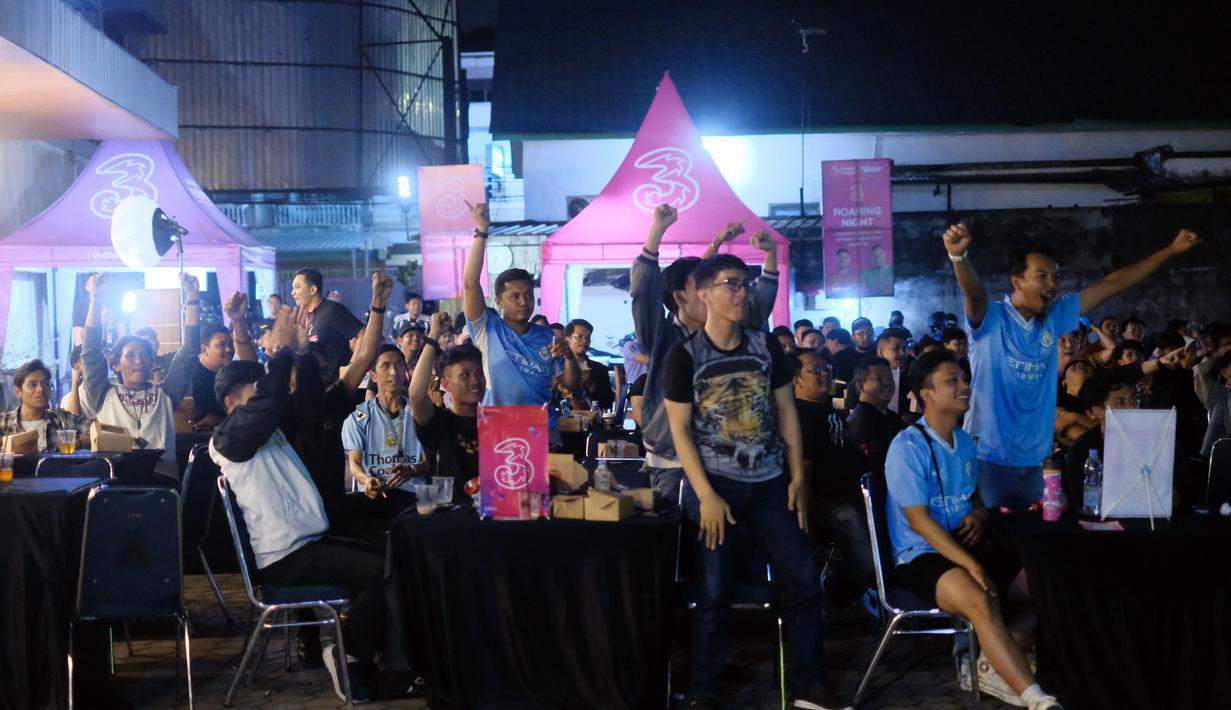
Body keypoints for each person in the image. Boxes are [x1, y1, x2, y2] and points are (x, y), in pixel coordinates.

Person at [663, 253, 844, 710]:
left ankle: (809, 683)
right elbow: (680, 432)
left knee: (802, 579)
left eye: (744, 284)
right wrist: (704, 495)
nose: (742, 292)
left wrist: (798, 475)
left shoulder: (766, 348)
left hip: (770, 483)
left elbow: (787, 412)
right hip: (716, 486)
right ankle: (705, 686)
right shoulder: (684, 357)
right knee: (713, 589)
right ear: (704, 294)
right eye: (731, 284)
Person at [943, 221, 1201, 507]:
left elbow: (1112, 283)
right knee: (990, 541)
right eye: (1042, 276)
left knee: (1055, 538)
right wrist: (959, 257)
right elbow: (974, 294)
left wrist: (1171, 250)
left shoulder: (1055, 316)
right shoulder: (992, 319)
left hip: (1040, 465)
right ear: (1017, 281)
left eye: (1055, 276)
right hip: (989, 461)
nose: (1052, 284)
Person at [209, 313, 386, 703]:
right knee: (386, 574)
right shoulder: (229, 440)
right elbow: (270, 400)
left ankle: (379, 655)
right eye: (251, 393)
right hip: (285, 559)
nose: (262, 397)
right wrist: (282, 352)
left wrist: (301, 354)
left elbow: (305, 401)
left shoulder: (270, 426)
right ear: (229, 403)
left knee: (398, 557)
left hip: (308, 543)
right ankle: (346, 654)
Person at [884, 349, 1062, 710]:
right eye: (952, 381)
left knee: (1047, 584)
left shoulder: (965, 442)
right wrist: (972, 564)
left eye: (964, 379)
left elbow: (975, 498)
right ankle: (1037, 699)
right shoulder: (907, 447)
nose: (965, 386)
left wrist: (979, 515)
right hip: (921, 555)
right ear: (926, 393)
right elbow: (918, 521)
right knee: (980, 597)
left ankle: (989, 664)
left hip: (965, 546)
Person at [631, 203, 781, 502]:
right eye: (701, 287)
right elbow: (643, 294)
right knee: (689, 542)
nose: (708, 292)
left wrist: (770, 254)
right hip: (674, 463)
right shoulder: (662, 336)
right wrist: (657, 230)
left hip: (727, 463)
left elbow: (758, 305)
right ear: (680, 297)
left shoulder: (723, 334)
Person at [464, 202, 579, 436]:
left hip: (543, 431)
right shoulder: (487, 329)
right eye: (514, 297)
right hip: (497, 431)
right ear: (499, 301)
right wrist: (482, 231)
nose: (523, 302)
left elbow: (571, 384)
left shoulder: (547, 336)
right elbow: (470, 283)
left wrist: (569, 356)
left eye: (528, 295)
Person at [81, 273, 197, 478]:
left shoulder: (166, 394)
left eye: (145, 356)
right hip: (113, 480)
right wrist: (95, 298)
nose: (139, 361)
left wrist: (192, 296)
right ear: (115, 364)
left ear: (152, 363)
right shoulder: (101, 393)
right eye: (131, 356)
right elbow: (90, 352)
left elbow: (188, 352)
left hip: (161, 480)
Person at [790, 348, 872, 609]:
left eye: (826, 368)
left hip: (857, 493)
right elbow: (802, 469)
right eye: (815, 370)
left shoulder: (827, 410)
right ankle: (837, 593)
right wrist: (804, 516)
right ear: (796, 380)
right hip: (831, 502)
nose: (824, 374)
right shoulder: (800, 416)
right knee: (866, 557)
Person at [410, 313, 483, 501]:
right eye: (465, 375)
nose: (475, 381)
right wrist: (433, 336)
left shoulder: (497, 422)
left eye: (479, 373)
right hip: (450, 519)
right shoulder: (437, 422)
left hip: (492, 517)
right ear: (447, 384)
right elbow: (417, 395)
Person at [343, 345, 423, 513]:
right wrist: (367, 480)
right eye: (386, 366)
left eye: (399, 365)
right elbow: (355, 464)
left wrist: (413, 469)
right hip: (374, 496)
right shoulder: (359, 417)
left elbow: (430, 460)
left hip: (413, 495)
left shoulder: (419, 413)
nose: (394, 372)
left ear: (405, 372)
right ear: (373, 375)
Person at [1062, 373, 1138, 505]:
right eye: (1120, 402)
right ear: (1096, 412)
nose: (1132, 408)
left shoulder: (1156, 438)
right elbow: (1081, 499)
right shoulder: (1082, 449)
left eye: (1133, 400)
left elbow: (1181, 493)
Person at [0, 359, 92, 450]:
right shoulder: (4, 423)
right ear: (18, 391)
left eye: (45, 383)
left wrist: (79, 442)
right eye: (32, 385)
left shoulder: (59, 418)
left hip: (54, 465)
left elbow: (97, 430)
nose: (41, 389)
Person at [292, 267, 365, 383]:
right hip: (310, 386)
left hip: (333, 387)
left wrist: (352, 366)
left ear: (312, 290)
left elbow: (363, 333)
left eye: (297, 287)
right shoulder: (301, 316)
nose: (293, 293)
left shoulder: (332, 310)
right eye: (293, 288)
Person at [845, 356, 906, 475]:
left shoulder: (888, 416)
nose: (888, 382)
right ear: (860, 386)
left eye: (890, 378)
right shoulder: (863, 422)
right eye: (879, 378)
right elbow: (875, 469)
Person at [561, 318, 615, 412]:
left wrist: (589, 383)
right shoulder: (557, 367)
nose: (584, 341)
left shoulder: (600, 369)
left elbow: (607, 403)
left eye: (588, 338)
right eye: (579, 337)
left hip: (590, 422)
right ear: (567, 339)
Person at [876, 327, 910, 414]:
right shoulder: (864, 380)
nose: (902, 353)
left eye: (905, 348)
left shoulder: (910, 380)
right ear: (881, 352)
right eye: (896, 348)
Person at [61, 345, 85, 415]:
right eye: (90, 360)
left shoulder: (115, 391)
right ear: (77, 367)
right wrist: (75, 384)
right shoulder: (67, 401)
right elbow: (72, 423)